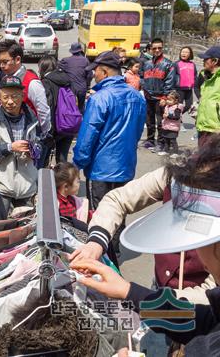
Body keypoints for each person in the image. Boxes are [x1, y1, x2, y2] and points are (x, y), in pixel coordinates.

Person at [70, 137, 220, 355]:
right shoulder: (182, 173)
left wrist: (136, 298)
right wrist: (97, 244)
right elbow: (118, 199)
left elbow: (196, 313)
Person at [73, 51, 146, 209]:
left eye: (96, 71)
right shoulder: (137, 97)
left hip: (100, 170)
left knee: (99, 219)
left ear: (104, 72)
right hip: (126, 166)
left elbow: (87, 136)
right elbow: (138, 131)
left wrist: (77, 163)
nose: (93, 75)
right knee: (118, 214)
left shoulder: (100, 98)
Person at [0, 76, 40, 216]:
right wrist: (9, 147)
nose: (10, 102)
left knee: (25, 229)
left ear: (23, 96)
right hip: (1, 185)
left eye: (15, 97)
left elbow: (40, 143)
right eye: (6, 97)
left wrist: (34, 151)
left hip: (27, 184)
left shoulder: (32, 119)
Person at [0, 42, 52, 137]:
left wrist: (42, 136)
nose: (1, 66)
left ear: (17, 59)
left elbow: (43, 112)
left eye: (5, 62)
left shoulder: (32, 82)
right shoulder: (5, 78)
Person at [140, 38, 176, 152]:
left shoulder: (168, 64)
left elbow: (169, 82)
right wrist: (144, 88)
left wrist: (165, 97)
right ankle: (150, 139)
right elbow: (141, 77)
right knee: (149, 121)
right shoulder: (146, 63)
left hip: (160, 98)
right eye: (154, 48)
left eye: (159, 48)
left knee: (161, 122)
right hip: (148, 97)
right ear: (150, 49)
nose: (157, 50)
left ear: (162, 48)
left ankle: (161, 142)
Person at [39, 55, 77, 164]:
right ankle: (63, 180)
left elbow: (48, 105)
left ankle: (46, 180)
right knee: (62, 158)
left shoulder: (46, 82)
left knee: (44, 158)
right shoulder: (68, 80)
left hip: (55, 126)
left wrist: (48, 129)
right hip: (69, 123)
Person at [195, 46, 220, 148]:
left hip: (216, 131)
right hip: (203, 129)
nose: (203, 61)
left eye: (206, 59)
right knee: (202, 161)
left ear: (214, 61)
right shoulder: (206, 76)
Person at [58, 42, 92, 112]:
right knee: (81, 107)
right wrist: (87, 85)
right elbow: (89, 75)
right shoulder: (85, 60)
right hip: (82, 87)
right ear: (80, 50)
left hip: (70, 88)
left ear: (72, 51)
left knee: (70, 107)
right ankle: (81, 121)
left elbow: (59, 67)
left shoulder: (66, 60)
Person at [160, 90, 184, 157]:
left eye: (170, 100)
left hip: (173, 127)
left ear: (176, 101)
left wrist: (168, 116)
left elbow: (177, 117)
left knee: (173, 140)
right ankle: (166, 150)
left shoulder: (177, 108)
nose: (167, 101)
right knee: (166, 139)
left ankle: (175, 152)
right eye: (167, 99)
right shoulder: (167, 106)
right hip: (166, 125)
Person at [175, 46, 197, 113]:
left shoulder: (192, 64)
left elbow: (195, 75)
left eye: (186, 52)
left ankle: (178, 116)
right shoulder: (176, 64)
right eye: (182, 52)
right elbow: (172, 76)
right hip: (179, 89)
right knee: (179, 106)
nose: (183, 53)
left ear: (190, 54)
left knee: (189, 105)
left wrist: (195, 83)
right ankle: (175, 119)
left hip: (189, 89)